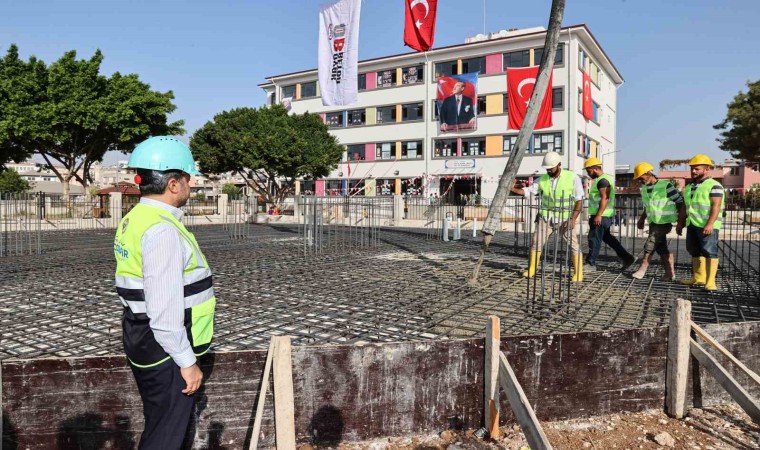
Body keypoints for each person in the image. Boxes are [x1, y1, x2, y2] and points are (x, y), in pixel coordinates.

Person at [113, 136, 216, 449]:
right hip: (166, 348)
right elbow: (164, 309)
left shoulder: (136, 218)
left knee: (159, 423)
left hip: (141, 335)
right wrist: (187, 363)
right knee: (166, 435)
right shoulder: (162, 231)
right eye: (187, 178)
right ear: (173, 184)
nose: (190, 184)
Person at [511, 151, 585, 282]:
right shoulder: (542, 179)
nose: (549, 170)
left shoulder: (572, 177)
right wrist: (512, 189)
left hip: (565, 218)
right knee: (536, 243)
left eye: (551, 168)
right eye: (547, 169)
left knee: (573, 245)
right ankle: (532, 269)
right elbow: (528, 191)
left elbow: (579, 200)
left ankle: (578, 273)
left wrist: (573, 219)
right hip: (546, 217)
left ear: (559, 165)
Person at [630, 162, 686, 280]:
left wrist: (680, 223)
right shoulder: (645, 189)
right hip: (653, 222)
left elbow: (680, 202)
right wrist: (642, 219)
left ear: (648, 173)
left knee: (651, 242)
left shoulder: (666, 186)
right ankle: (670, 273)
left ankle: (642, 268)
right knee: (661, 247)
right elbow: (648, 206)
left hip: (665, 222)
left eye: (641, 177)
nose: (639, 180)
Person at [680, 154, 725, 291]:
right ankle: (699, 278)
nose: (693, 171)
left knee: (709, 251)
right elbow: (685, 206)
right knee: (694, 250)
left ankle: (710, 282)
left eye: (697, 169)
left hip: (707, 225)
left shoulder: (714, 185)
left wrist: (710, 224)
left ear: (707, 169)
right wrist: (680, 223)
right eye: (692, 169)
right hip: (693, 224)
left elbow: (716, 206)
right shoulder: (689, 186)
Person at [583, 158, 635, 271]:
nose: (588, 173)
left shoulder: (603, 181)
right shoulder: (602, 180)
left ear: (595, 169)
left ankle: (591, 263)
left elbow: (605, 198)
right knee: (608, 238)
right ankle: (627, 257)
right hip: (603, 215)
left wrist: (598, 215)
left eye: (588, 170)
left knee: (594, 239)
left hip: (601, 216)